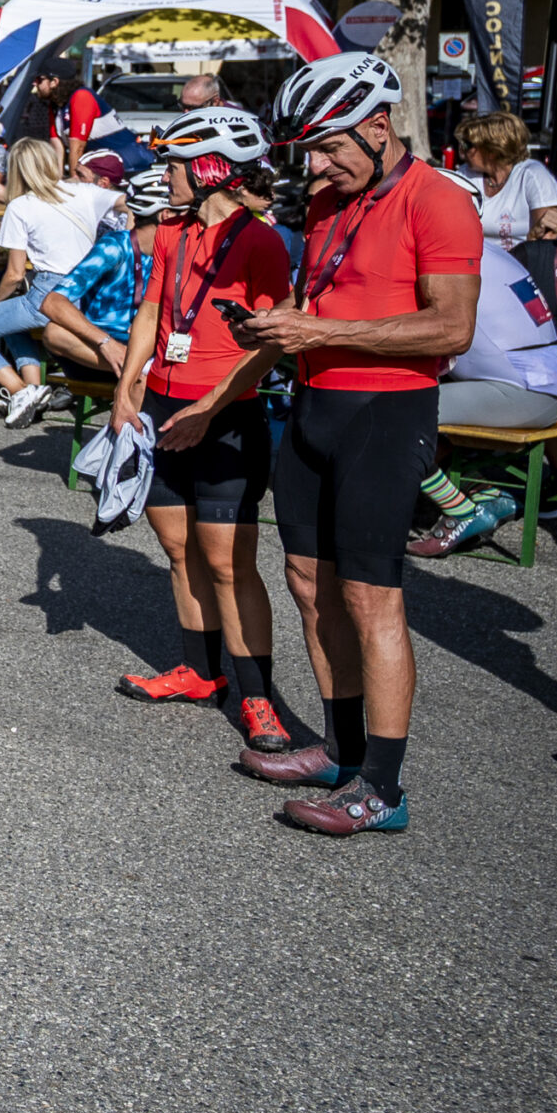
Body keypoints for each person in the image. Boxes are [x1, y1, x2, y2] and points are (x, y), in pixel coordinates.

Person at [232, 53, 481, 835]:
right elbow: (324, 297)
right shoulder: (328, 201)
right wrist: (280, 326)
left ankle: (384, 786)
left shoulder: (438, 199)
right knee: (309, 582)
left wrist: (320, 332)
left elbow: (452, 327)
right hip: (314, 406)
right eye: (311, 150)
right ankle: (342, 752)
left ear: (378, 125)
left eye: (330, 146)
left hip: (386, 412)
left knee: (372, 597)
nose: (318, 164)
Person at [106, 111, 296, 752]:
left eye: (175, 166)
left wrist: (210, 409)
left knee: (227, 563)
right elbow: (152, 310)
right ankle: (198, 671)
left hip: (225, 417)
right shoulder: (171, 230)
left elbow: (273, 341)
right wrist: (127, 386)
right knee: (179, 550)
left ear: (212, 169)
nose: (165, 177)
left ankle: (258, 698)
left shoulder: (262, 241)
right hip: (163, 408)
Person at [404, 238, 557, 557]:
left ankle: (462, 509)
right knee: (407, 408)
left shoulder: (441, 255)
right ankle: (484, 490)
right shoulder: (477, 246)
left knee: (394, 414)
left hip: (526, 391)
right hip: (541, 381)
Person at [0, 138, 120, 428]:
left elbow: (14, 275)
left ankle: (19, 391)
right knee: (11, 324)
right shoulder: (84, 191)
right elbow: (129, 203)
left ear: (18, 170)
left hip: (48, 295)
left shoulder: (21, 206)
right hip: (87, 292)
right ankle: (34, 389)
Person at [39, 168, 169, 377]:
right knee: (54, 332)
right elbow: (52, 302)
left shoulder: (184, 250)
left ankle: (141, 371)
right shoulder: (115, 247)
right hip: (104, 352)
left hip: (151, 344)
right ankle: (139, 371)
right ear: (166, 215)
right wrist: (106, 342)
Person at [452, 111, 557, 251]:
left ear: (492, 150)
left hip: (523, 261)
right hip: (478, 260)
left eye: (467, 145)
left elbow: (545, 241)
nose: (461, 151)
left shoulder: (532, 175)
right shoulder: (465, 174)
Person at [31, 54, 150, 174]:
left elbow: (78, 147)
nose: (34, 83)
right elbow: (57, 146)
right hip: (105, 162)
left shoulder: (81, 96)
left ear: (54, 82)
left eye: (39, 80)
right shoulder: (55, 104)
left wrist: (75, 180)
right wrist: (57, 180)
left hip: (129, 159)